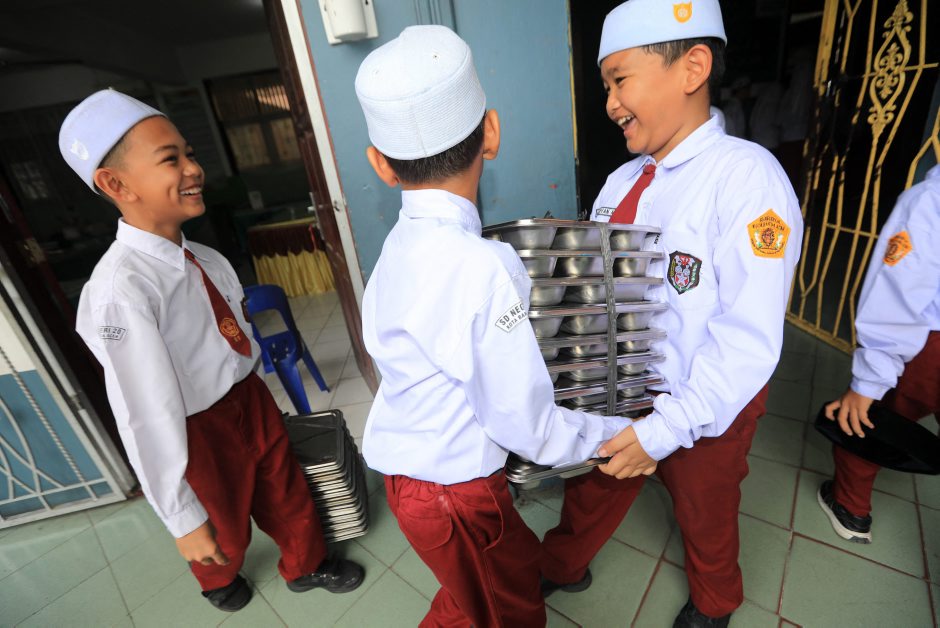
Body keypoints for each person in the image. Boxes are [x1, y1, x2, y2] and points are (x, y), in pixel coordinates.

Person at [355, 25, 632, 627]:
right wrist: (614, 436)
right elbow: (525, 424)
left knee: (475, 594)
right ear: (492, 133)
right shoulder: (484, 265)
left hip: (410, 479)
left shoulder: (397, 244)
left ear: (381, 165)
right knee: (508, 613)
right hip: (454, 494)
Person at [538, 2, 803, 626]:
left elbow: (747, 338)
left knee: (705, 507)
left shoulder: (747, 180)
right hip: (617, 389)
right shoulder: (620, 182)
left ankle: (715, 601)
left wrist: (669, 427)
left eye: (620, 79)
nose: (610, 103)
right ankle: (561, 563)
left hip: (704, 402)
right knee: (592, 487)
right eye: (606, 86)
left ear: (692, 68)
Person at [59, 89, 363, 612]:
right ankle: (217, 578)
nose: (193, 168)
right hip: (194, 428)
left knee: (285, 488)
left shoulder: (207, 258)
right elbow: (144, 414)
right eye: (170, 159)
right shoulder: (121, 291)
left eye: (190, 153)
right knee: (218, 519)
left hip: (249, 399)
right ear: (116, 184)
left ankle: (306, 563)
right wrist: (180, 519)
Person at [820, 164, 940, 543]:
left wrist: (869, 381)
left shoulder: (929, 200)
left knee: (872, 421)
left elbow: (899, 286)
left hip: (931, 351)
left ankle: (851, 508)